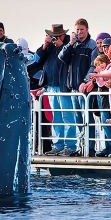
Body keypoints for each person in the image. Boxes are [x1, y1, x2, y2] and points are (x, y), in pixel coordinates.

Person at [35, 24, 77, 156]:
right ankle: (58, 145)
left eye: (57, 36)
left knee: (67, 116)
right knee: (56, 118)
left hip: (63, 86)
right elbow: (37, 60)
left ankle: (70, 146)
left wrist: (63, 45)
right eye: (53, 36)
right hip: (51, 87)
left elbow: (67, 57)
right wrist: (44, 45)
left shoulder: (70, 44)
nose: (55, 39)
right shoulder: (49, 47)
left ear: (63, 35)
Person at [58, 18, 98, 153]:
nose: (79, 32)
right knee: (78, 118)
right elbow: (62, 57)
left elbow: (93, 66)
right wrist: (70, 44)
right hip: (73, 89)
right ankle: (82, 145)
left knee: (88, 118)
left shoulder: (92, 45)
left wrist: (85, 81)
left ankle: (90, 147)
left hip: (85, 89)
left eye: (82, 29)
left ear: (87, 29)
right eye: (77, 30)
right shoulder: (73, 45)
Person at [79, 33, 111, 157]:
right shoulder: (96, 54)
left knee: (107, 120)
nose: (102, 46)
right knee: (104, 119)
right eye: (99, 43)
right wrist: (90, 80)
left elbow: (108, 74)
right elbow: (94, 70)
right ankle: (109, 146)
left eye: (105, 45)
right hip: (101, 95)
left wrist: (96, 78)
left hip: (108, 95)